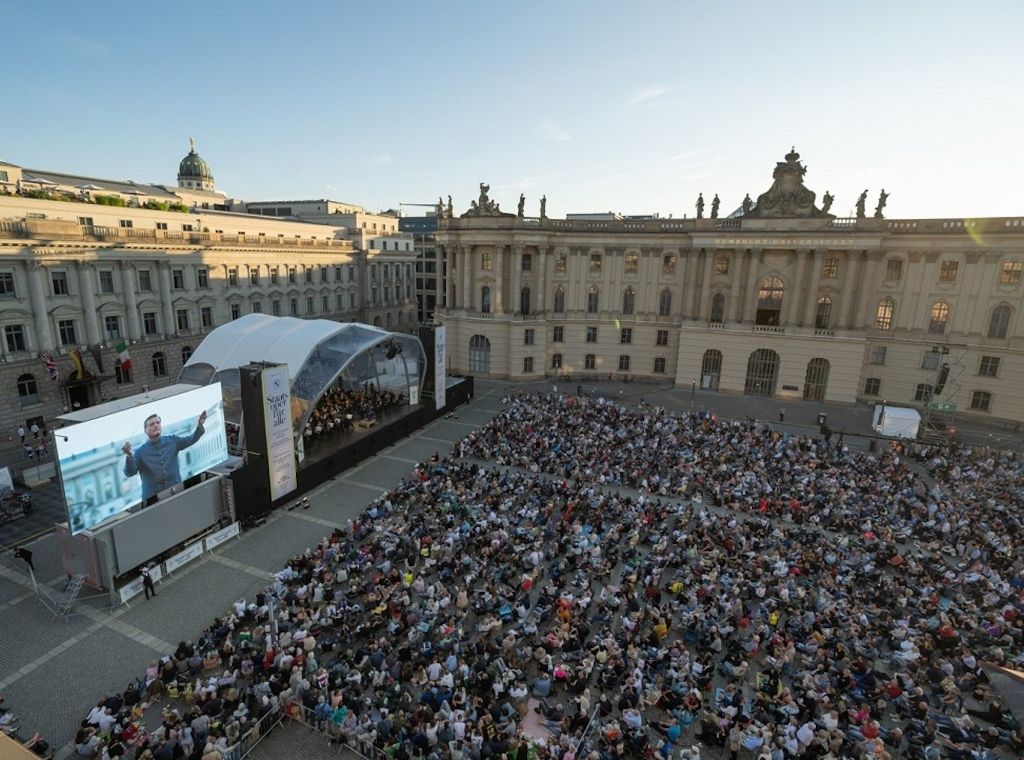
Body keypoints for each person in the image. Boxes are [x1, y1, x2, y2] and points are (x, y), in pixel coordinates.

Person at [123, 411, 207, 502]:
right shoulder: (140, 452)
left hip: (176, 493)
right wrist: (129, 456)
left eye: (158, 423)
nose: (156, 425)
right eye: (151, 424)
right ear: (145, 431)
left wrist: (200, 425)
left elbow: (191, 439)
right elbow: (130, 472)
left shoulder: (172, 440)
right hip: (153, 500)